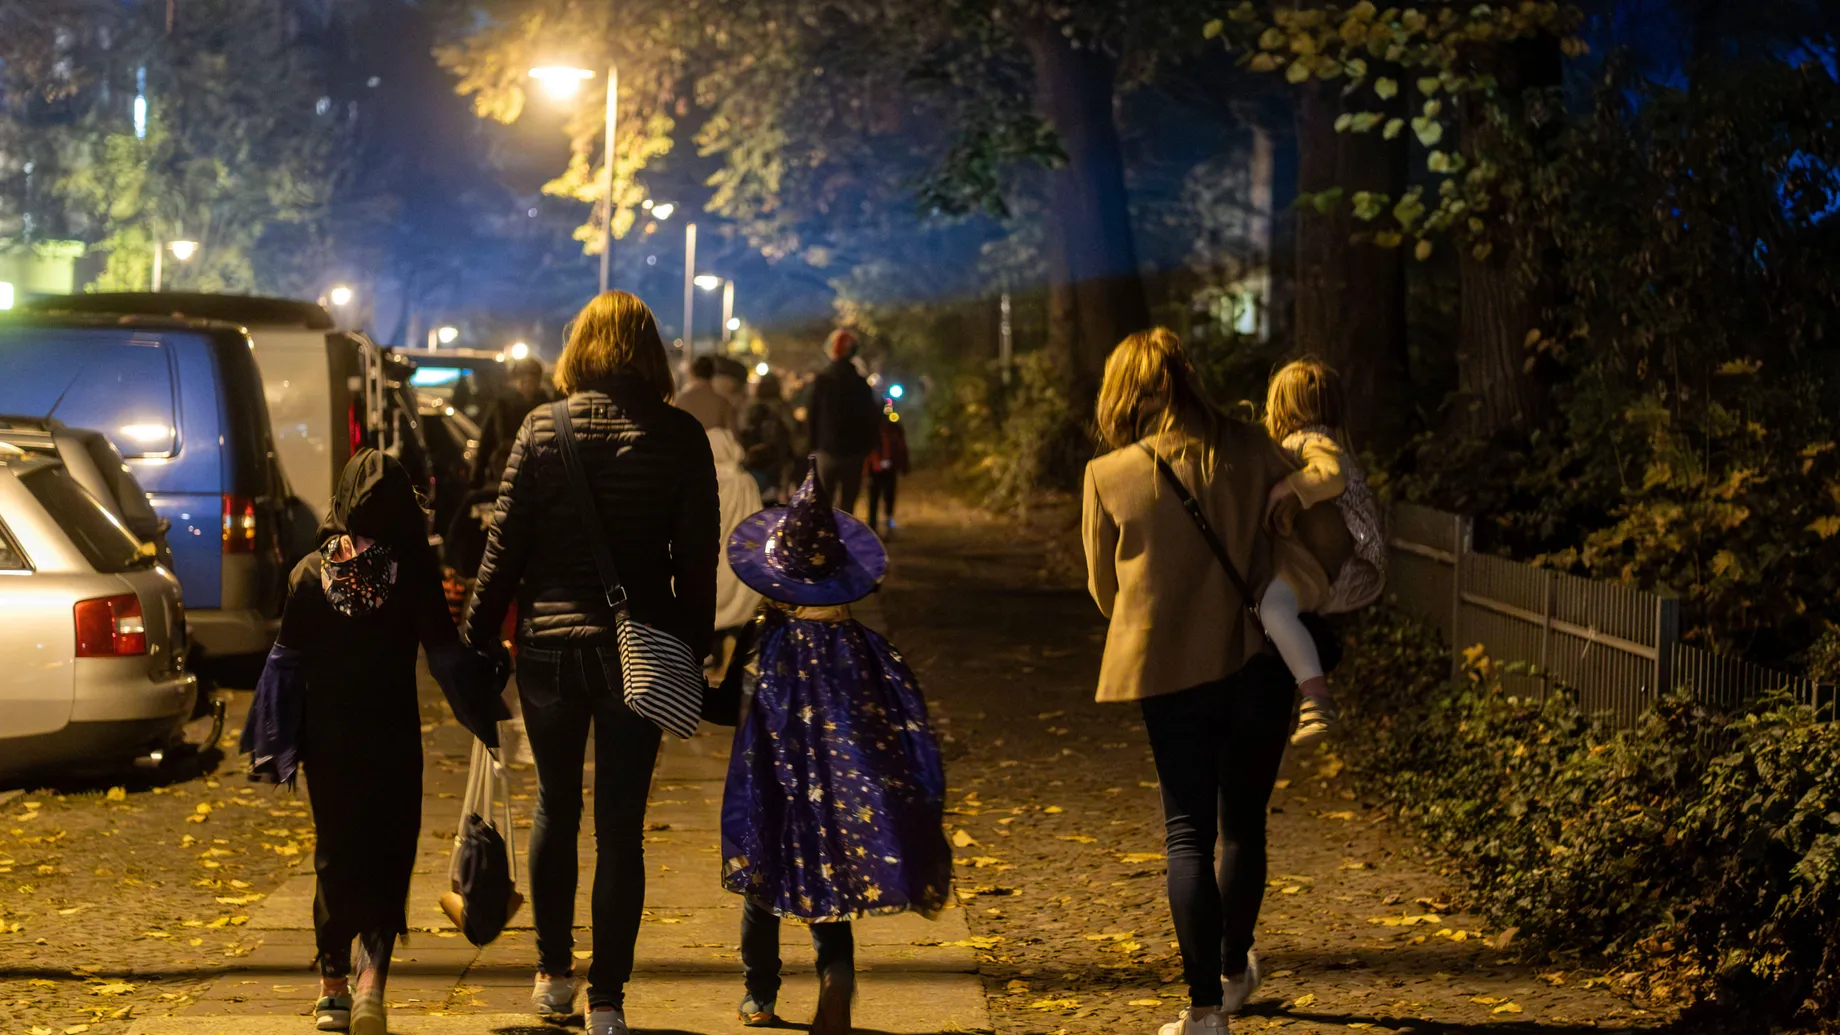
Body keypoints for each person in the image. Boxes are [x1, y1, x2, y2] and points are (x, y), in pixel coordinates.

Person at [462, 291, 720, 1035]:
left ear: (579, 348)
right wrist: (691, 647)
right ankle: (607, 998)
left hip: (548, 648)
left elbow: (503, 549)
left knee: (555, 804)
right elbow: (696, 562)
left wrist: (475, 641)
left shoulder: (543, 428)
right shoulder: (680, 435)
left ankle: (552, 976)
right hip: (639, 651)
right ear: (651, 353)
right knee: (620, 828)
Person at [1081, 328, 1350, 1035]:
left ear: (1122, 394)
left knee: (1186, 836)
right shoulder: (1254, 449)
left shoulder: (1110, 475)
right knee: (1244, 827)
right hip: (1260, 661)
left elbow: (1106, 594)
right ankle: (1234, 972)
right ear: (1190, 378)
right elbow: (1324, 520)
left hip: (1171, 670)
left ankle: (1204, 1012)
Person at [253, 449, 503, 1035]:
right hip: (392, 735)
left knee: (336, 854)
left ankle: (332, 988)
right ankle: (372, 983)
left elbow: (284, 665)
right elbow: (446, 659)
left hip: (327, 740)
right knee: (389, 855)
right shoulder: (409, 574)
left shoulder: (309, 574)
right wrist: (487, 712)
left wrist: (276, 743)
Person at [720, 466, 954, 1033]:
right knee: (827, 884)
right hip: (837, 791)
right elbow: (888, 722)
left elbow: (729, 707)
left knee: (761, 885)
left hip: (772, 786)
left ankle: (759, 995)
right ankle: (836, 976)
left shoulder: (763, 639)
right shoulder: (864, 647)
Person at [1260, 359, 1387, 747]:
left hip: (1315, 561)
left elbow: (1329, 476)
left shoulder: (1311, 441)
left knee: (1273, 609)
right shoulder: (1318, 441)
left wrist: (1286, 489)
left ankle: (1317, 699)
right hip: (1312, 558)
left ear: (1284, 405)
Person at [805, 329, 880, 513]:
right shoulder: (860, 383)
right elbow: (870, 417)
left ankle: (824, 532)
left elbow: (812, 415)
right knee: (848, 505)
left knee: (823, 503)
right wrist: (869, 446)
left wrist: (812, 445)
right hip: (854, 452)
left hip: (826, 450)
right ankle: (843, 531)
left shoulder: (822, 381)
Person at [708, 423, 764, 666]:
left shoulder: (702, 480)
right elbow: (757, 521)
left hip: (710, 562)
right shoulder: (745, 481)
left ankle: (713, 659)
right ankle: (729, 661)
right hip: (737, 560)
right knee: (737, 615)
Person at [475, 358, 551, 490]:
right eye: (525, 381)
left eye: (532, 381)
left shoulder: (546, 404)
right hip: (508, 464)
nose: (528, 386)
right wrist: (478, 474)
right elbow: (487, 439)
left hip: (536, 469)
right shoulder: (503, 403)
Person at [738, 372, 795, 504]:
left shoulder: (751, 406)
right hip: (778, 453)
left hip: (756, 453)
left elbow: (743, 427)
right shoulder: (782, 406)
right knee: (780, 484)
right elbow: (792, 427)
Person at [864, 401, 909, 537]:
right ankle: (875, 524)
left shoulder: (892, 427)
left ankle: (884, 523)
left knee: (886, 496)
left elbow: (901, 446)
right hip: (877, 467)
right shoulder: (874, 428)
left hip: (886, 467)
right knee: (876, 497)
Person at [675, 354, 737, 431]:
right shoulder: (723, 402)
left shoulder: (682, 400)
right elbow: (731, 430)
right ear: (713, 374)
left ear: (692, 373)